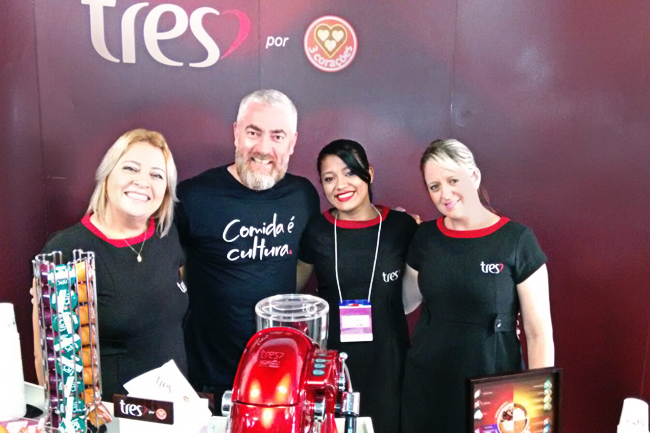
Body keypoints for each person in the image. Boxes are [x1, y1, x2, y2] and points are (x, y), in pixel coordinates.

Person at [400, 139, 554, 433]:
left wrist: (538, 410)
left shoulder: (516, 240)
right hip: (428, 386)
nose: (445, 194)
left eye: (453, 180)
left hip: (494, 390)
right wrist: (392, 234)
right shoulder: (426, 237)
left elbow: (538, 334)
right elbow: (405, 303)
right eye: (434, 186)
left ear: (474, 176)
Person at [175, 89, 320, 402]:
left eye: (277, 136)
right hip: (208, 379)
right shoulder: (193, 196)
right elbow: (176, 270)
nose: (263, 148)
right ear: (236, 133)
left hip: (280, 377)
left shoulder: (303, 196)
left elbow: (303, 262)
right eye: (253, 133)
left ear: (292, 142)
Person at [33, 129, 188, 400]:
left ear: (166, 191)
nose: (142, 182)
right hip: (108, 416)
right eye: (131, 168)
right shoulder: (67, 250)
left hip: (175, 412)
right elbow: (50, 366)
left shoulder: (168, 235)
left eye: (156, 175)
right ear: (107, 175)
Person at [297, 139, 418, 433]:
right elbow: (293, 287)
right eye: (329, 178)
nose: (341, 185)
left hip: (389, 358)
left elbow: (416, 291)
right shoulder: (317, 230)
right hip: (333, 361)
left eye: (350, 172)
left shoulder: (402, 226)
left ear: (370, 173)